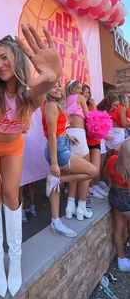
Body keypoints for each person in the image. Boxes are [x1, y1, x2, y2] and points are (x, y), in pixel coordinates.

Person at [0, 27, 62, 298]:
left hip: (13, 146)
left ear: (16, 57)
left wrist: (52, 75)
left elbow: (43, 84)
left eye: (4, 58)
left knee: (12, 195)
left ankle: (15, 260)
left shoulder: (29, 92)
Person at [42, 81, 98, 233]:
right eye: (53, 86)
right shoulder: (51, 106)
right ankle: (58, 179)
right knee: (93, 172)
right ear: (47, 90)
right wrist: (54, 163)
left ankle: (55, 221)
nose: (58, 88)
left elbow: (58, 130)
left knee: (55, 185)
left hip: (62, 144)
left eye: (59, 85)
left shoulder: (56, 105)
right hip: (58, 149)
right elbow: (52, 136)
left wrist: (68, 137)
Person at [65, 80, 95, 219]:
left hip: (67, 136)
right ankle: (81, 208)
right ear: (74, 89)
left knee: (74, 170)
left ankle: (70, 207)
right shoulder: (80, 98)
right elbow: (89, 117)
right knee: (87, 171)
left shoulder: (64, 100)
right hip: (78, 134)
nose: (80, 91)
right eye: (78, 88)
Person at [105, 138, 130, 272]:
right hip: (126, 198)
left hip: (114, 195)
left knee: (118, 227)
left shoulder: (112, 160)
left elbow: (106, 174)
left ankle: (121, 259)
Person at [82, 84, 107, 202]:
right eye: (84, 92)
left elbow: (97, 120)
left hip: (95, 140)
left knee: (95, 169)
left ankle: (92, 187)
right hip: (85, 141)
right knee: (87, 170)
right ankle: (86, 191)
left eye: (88, 92)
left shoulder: (91, 105)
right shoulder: (78, 106)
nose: (87, 94)